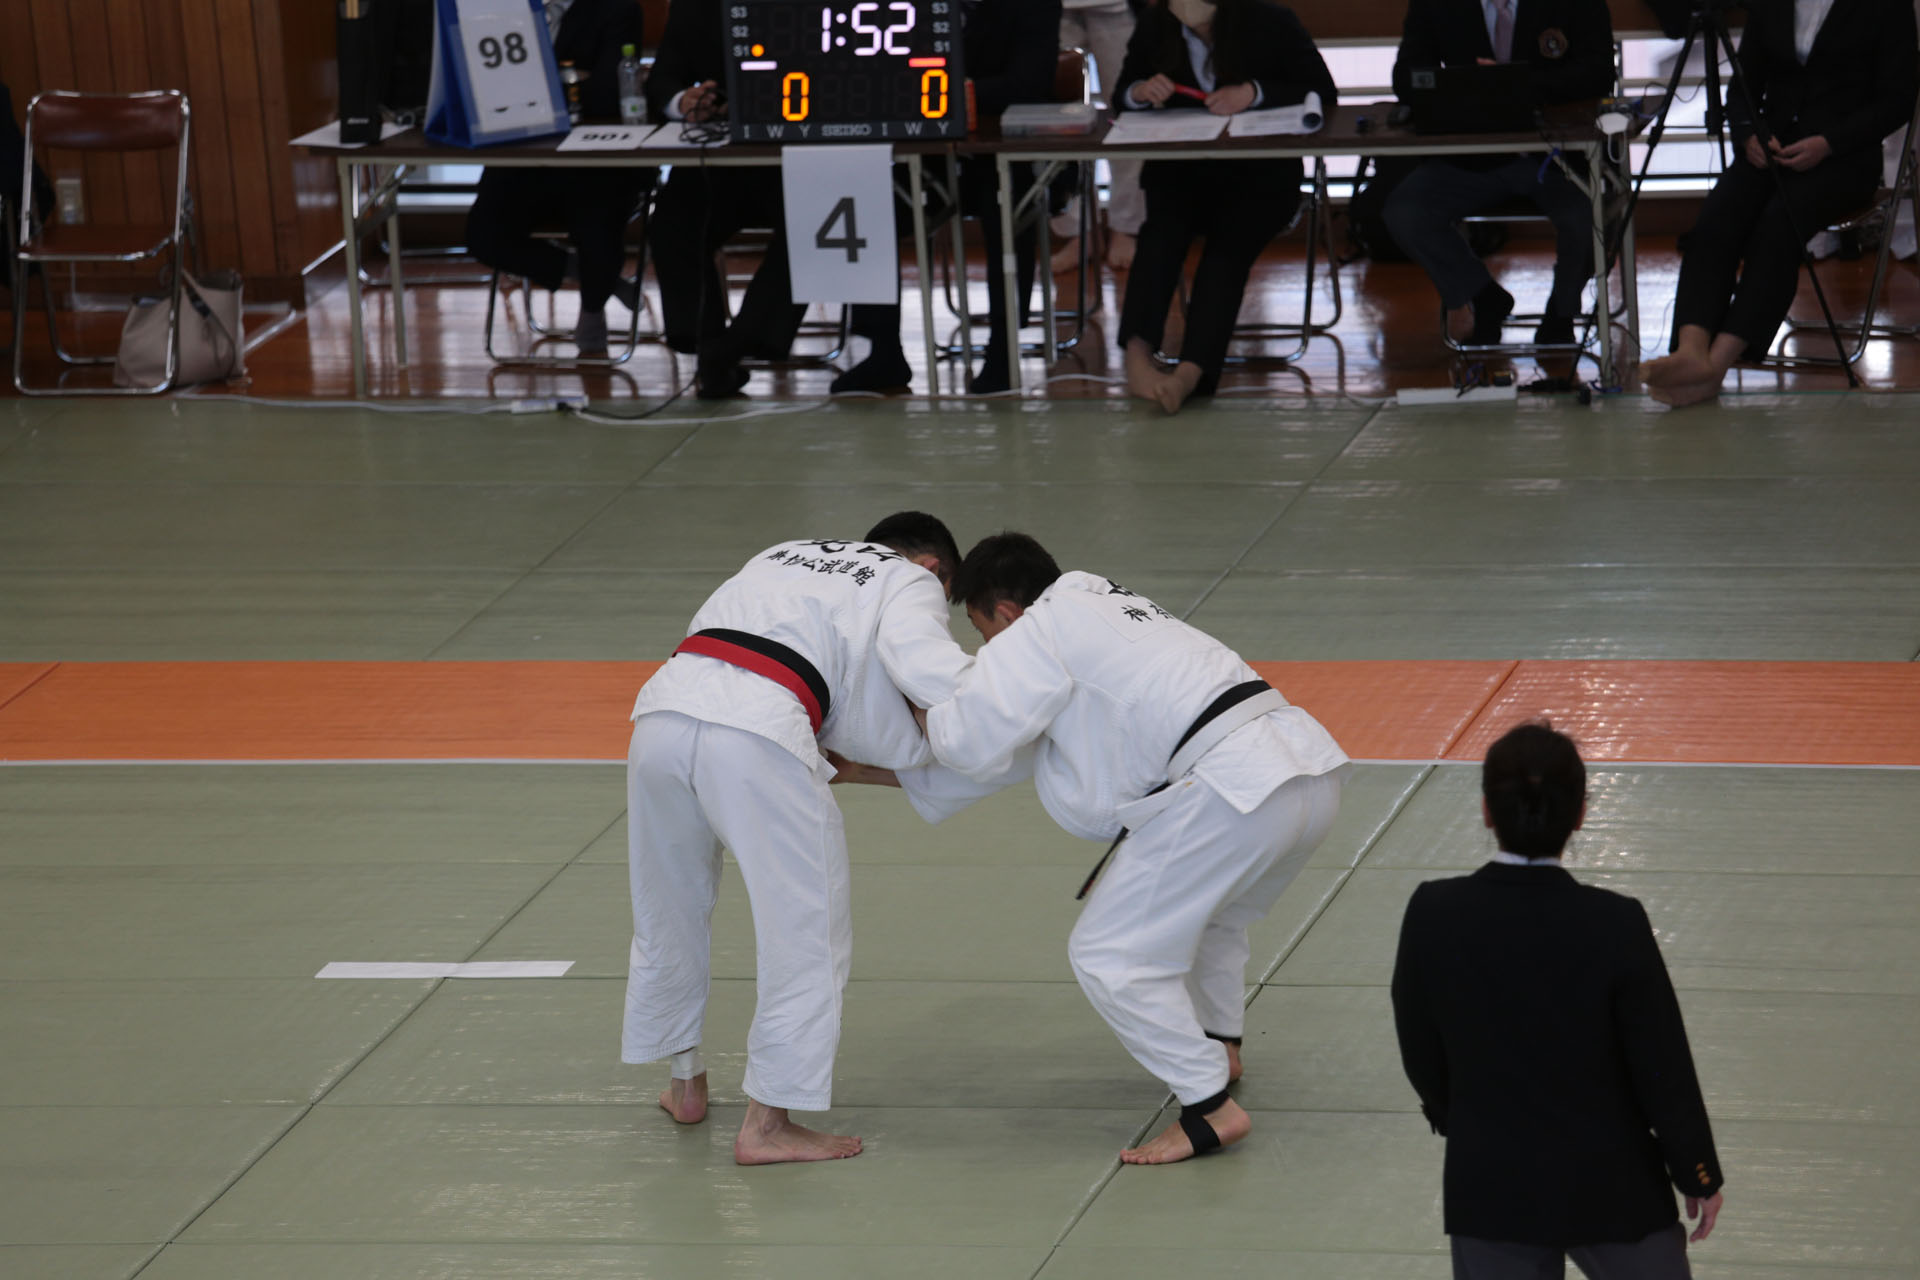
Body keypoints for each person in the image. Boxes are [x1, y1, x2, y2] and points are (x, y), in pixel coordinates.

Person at [913, 532, 1350, 1164]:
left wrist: (918, 705)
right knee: (1214, 916)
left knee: (1108, 954)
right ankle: (1220, 1047)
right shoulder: (1108, 603)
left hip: (1228, 789)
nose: (989, 652)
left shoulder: (1040, 627)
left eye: (984, 634)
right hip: (1306, 768)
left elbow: (968, 740)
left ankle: (1209, 1108)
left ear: (1005, 611)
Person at [622, 513, 985, 1164]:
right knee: (806, 929)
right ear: (935, 568)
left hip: (661, 717)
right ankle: (766, 1124)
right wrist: (1000, 703)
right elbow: (929, 673)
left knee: (667, 909)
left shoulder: (782, 553)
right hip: (759, 733)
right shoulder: (907, 579)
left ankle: (684, 1083)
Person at [1391, 722, 1727, 1279]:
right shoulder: (1615, 922)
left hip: (1492, 1185)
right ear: (1580, 814)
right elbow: (1661, 1064)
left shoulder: (1434, 912)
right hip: (1614, 1184)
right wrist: (1697, 1171)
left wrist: (1466, 1120)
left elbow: (1420, 1048)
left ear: (1487, 810)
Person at [1641, 0, 1917, 406]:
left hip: (1844, 157)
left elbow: (1898, 99)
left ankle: (1714, 366)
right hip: (1771, 147)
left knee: (1777, 225)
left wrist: (1829, 143)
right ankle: (1691, 350)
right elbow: (1743, 88)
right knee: (1718, 217)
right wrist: (1748, 134)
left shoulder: (1886, 6)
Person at [1111, 0, 1337, 412]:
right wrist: (1140, 92)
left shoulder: (1270, 20)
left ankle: (1191, 372)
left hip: (1259, 181)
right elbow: (1121, 95)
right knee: (1159, 238)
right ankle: (1138, 358)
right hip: (1182, 176)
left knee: (1227, 251)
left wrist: (1254, 93)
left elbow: (1322, 91)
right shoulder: (1155, 23)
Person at [828, 0, 1063, 396]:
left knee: (1007, 203)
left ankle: (1004, 347)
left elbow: (1030, 82)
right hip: (929, 153)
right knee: (869, 201)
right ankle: (883, 351)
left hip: (1005, 147)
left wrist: (945, 92)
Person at [1382, 0, 1614, 346]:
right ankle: (1482, 296)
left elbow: (1599, 72)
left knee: (1587, 216)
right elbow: (1406, 78)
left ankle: (1562, 312)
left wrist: (1517, 84)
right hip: (1470, 156)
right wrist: (1471, 86)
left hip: (1556, 159)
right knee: (1406, 212)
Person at [464, 0, 648, 355]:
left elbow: (608, 92)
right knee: (483, 234)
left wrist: (529, 93)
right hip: (524, 158)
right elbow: (485, 87)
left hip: (597, 162)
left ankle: (593, 308)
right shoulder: (505, 8)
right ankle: (590, 273)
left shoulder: (618, 7)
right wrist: (572, 82)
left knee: (598, 223)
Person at [644, 0, 806, 396]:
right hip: (721, 161)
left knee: (813, 225)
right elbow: (662, 78)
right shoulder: (695, 7)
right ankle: (706, 346)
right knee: (671, 223)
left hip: (798, 160)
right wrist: (684, 101)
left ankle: (736, 345)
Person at [1051, 0, 1149, 273]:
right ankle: (1078, 231)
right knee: (1059, 116)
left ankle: (1127, 227)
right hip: (1052, 8)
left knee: (1129, 113)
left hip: (1119, 7)